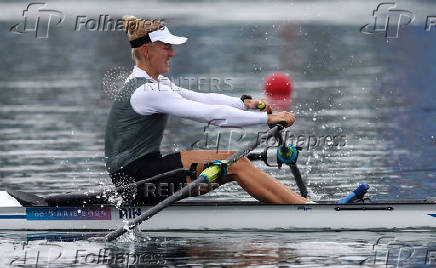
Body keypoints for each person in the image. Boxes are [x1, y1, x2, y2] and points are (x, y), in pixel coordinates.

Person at [104, 16, 309, 205]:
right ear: (146, 51)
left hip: (142, 172)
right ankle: (304, 209)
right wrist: (267, 119)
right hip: (137, 179)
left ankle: (299, 205)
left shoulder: (154, 84)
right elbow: (210, 115)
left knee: (235, 162)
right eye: (166, 47)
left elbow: (201, 99)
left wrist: (244, 104)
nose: (172, 53)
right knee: (236, 164)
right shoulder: (147, 90)